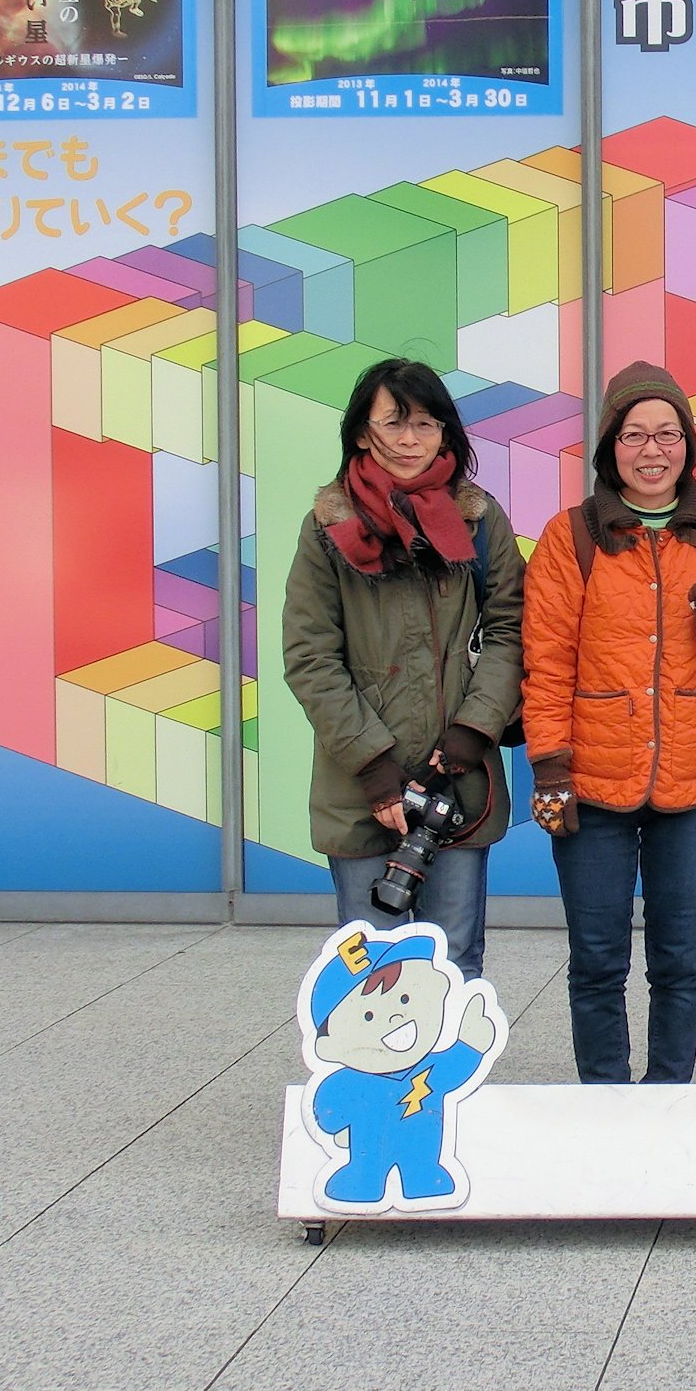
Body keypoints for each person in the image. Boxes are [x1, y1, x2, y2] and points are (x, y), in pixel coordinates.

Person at [521, 361, 696, 1085]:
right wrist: (550, 767)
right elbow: (546, 659)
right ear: (611, 446)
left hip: (692, 783)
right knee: (597, 959)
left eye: (668, 434)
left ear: (688, 445)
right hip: (591, 781)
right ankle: (605, 1101)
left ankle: (668, 1099)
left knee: (679, 960)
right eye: (634, 435)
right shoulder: (572, 536)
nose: (652, 450)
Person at [281, 358, 521, 981]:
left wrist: (474, 727)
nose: (411, 439)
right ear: (363, 432)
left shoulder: (479, 520)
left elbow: (511, 629)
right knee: (372, 976)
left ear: (445, 432)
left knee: (455, 964)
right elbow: (310, 656)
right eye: (394, 423)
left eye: (426, 423)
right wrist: (373, 764)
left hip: (458, 781)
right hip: (360, 790)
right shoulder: (327, 528)